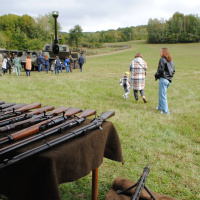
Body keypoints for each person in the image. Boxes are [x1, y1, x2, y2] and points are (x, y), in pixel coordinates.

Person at [155, 47, 175, 114]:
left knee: (163, 95)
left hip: (163, 79)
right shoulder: (171, 60)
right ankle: (160, 107)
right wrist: (170, 77)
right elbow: (173, 71)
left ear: (164, 52)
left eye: (161, 51)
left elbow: (160, 70)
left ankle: (166, 111)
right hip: (168, 80)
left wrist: (156, 75)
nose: (160, 52)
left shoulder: (162, 60)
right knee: (161, 94)